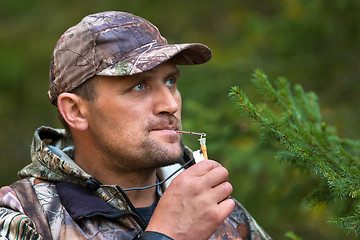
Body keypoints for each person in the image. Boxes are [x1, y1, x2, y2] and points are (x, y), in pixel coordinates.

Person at [0, 11, 271, 240]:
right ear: (76, 111)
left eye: (170, 81)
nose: (170, 104)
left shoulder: (210, 204)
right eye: (139, 86)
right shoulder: (25, 216)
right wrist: (166, 234)